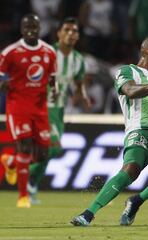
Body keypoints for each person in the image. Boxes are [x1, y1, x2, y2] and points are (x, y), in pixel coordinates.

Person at [71, 34, 148, 226]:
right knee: (131, 169)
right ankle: (88, 213)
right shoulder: (127, 71)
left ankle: (136, 200)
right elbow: (129, 91)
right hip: (139, 131)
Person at [27, 17, 89, 204]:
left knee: (50, 152)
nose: (71, 34)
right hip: (41, 107)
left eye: (74, 31)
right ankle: (26, 176)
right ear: (59, 33)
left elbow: (78, 83)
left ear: (77, 36)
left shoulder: (78, 60)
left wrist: (82, 95)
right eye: (67, 30)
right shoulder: (46, 53)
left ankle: (29, 182)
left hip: (59, 110)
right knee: (53, 147)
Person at [0, 13, 57, 208]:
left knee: (42, 154)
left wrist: (55, 91)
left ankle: (11, 162)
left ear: (40, 28)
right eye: (27, 27)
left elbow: (52, 78)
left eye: (34, 27)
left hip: (40, 108)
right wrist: (3, 84)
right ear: (21, 30)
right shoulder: (11, 52)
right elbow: (1, 75)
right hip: (18, 107)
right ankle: (23, 196)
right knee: (24, 147)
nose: (31, 30)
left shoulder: (49, 52)